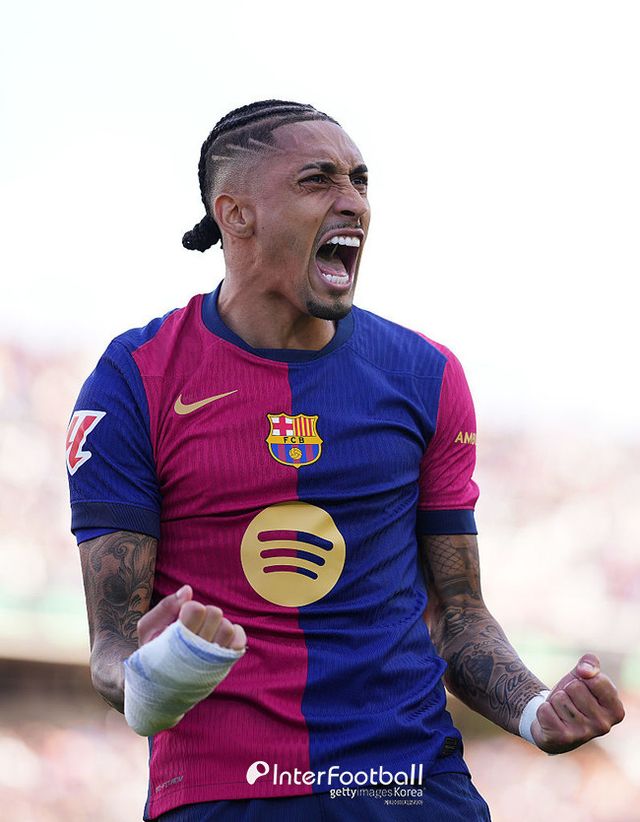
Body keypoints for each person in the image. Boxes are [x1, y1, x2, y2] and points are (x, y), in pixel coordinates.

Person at [66, 100, 624, 821]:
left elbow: (457, 614)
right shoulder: (135, 379)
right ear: (235, 214)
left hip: (409, 785)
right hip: (228, 795)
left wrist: (534, 710)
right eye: (318, 179)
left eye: (360, 180)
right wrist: (162, 672)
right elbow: (113, 650)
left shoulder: (425, 376)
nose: (353, 200)